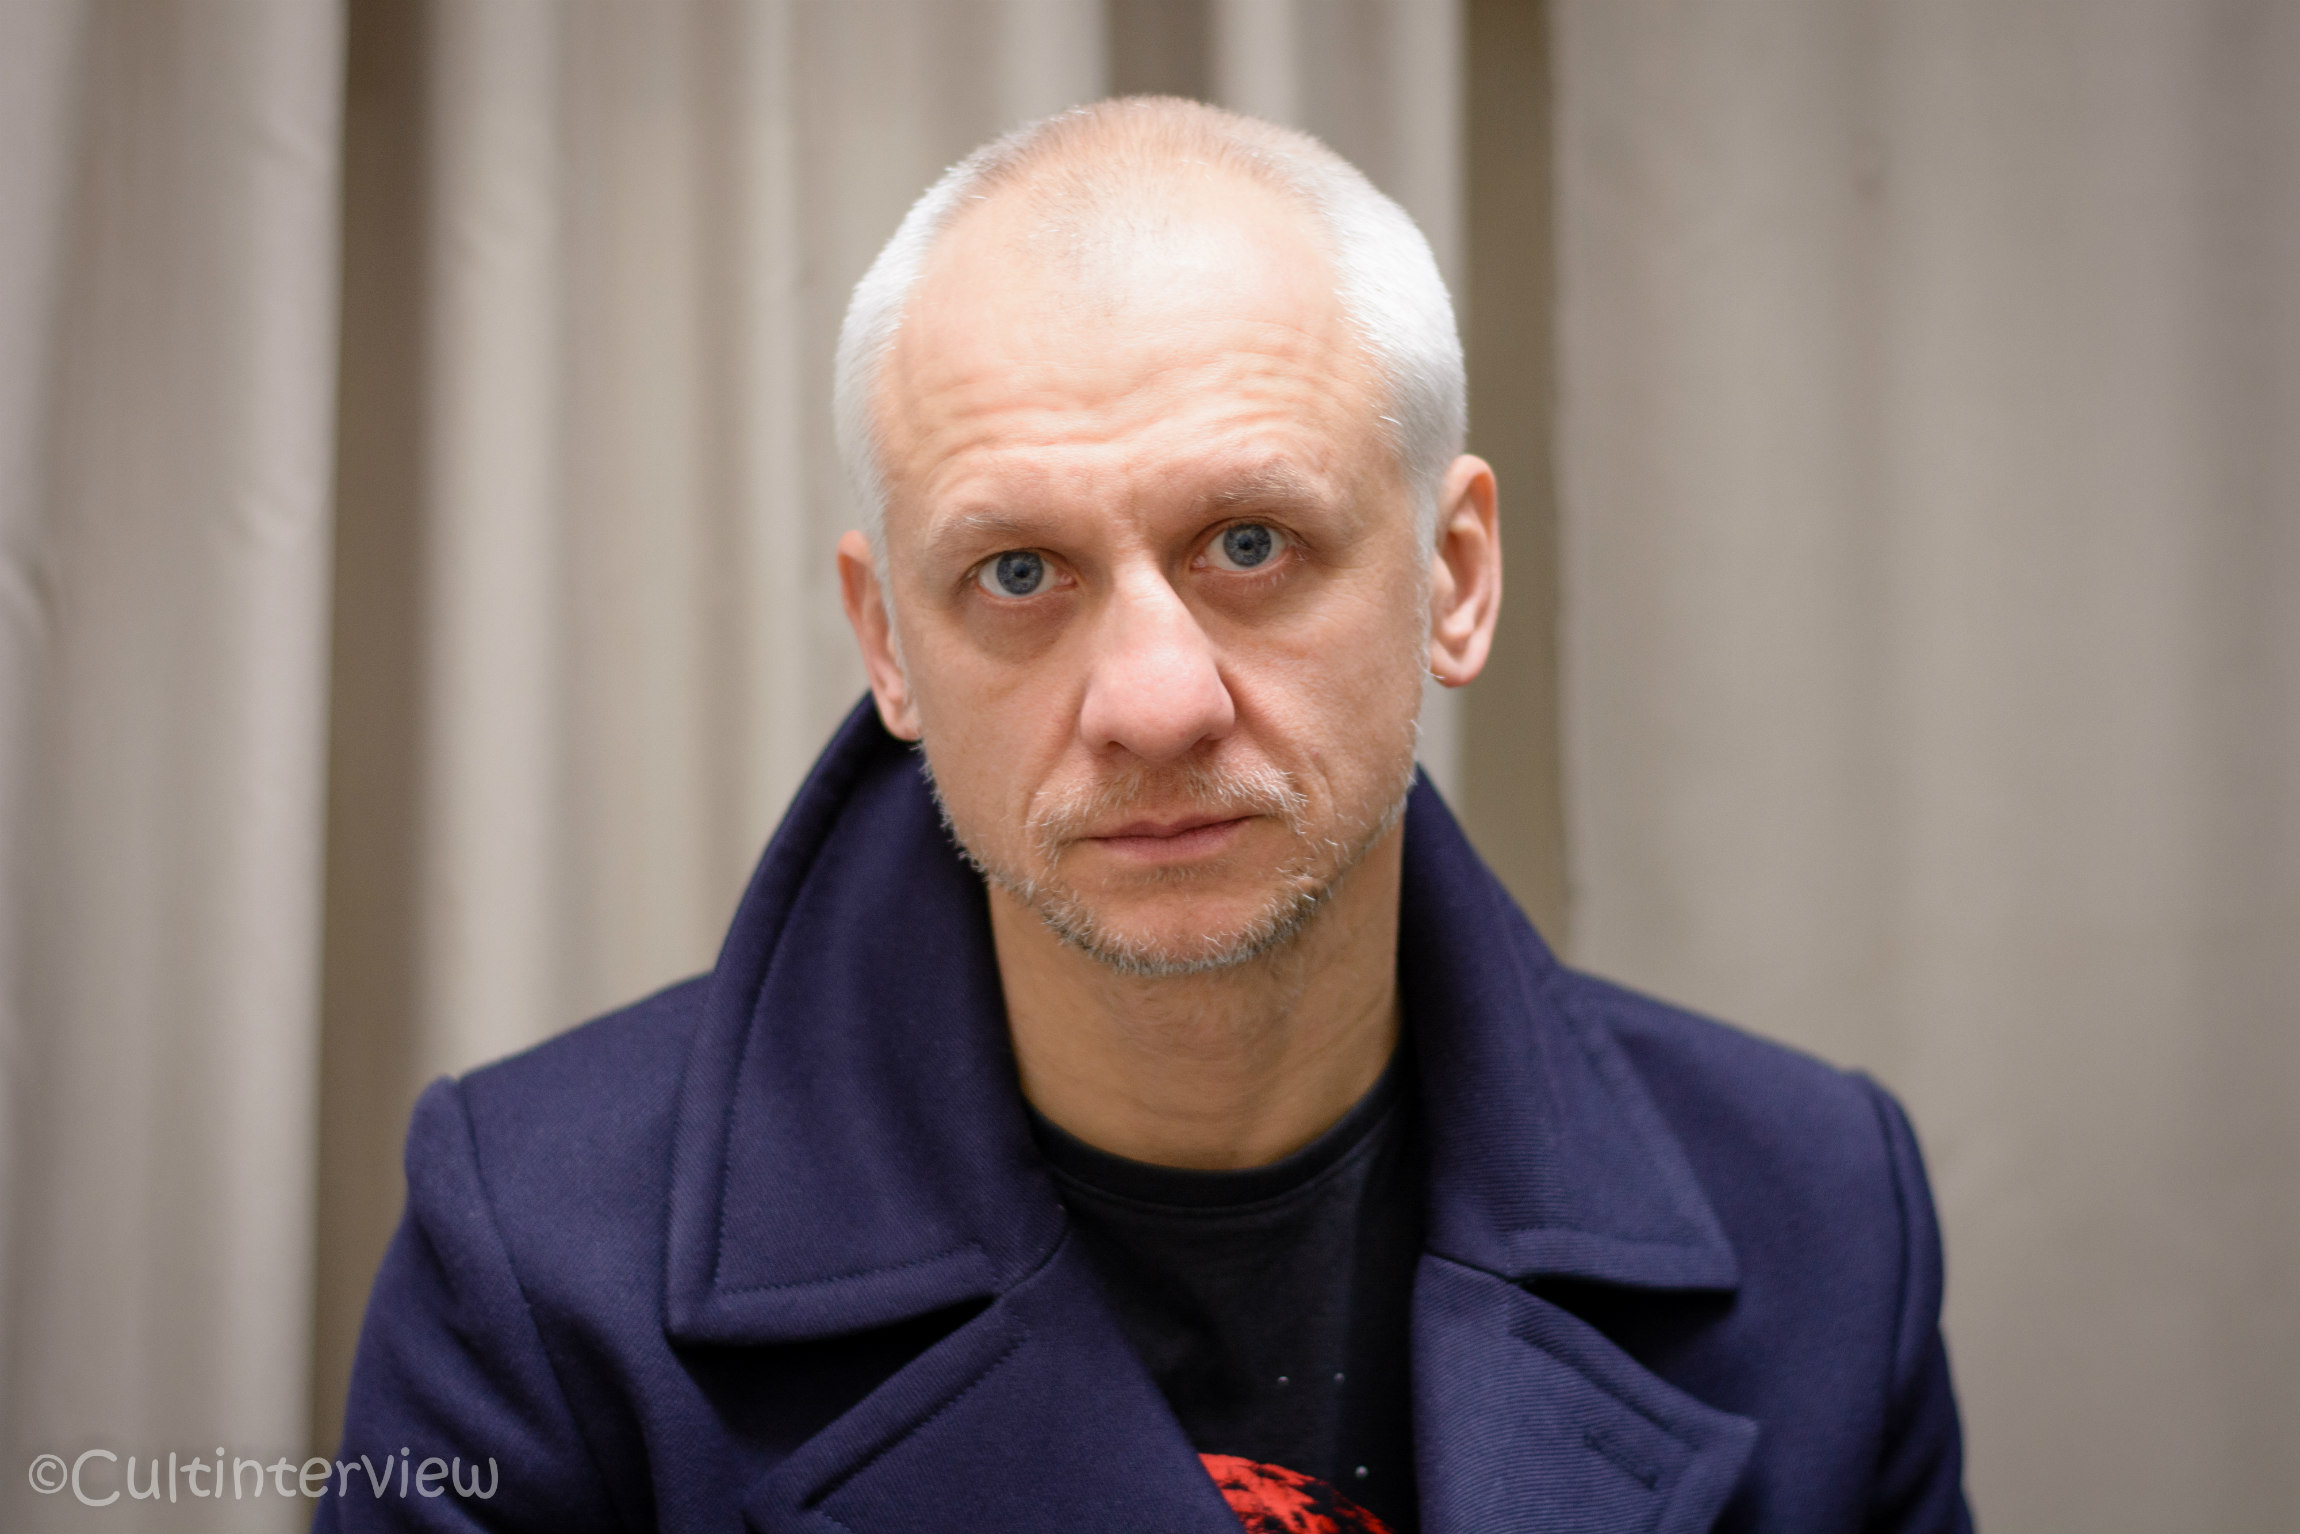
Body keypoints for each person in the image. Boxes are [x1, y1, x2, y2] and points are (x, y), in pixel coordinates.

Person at [323, 97, 1968, 1534]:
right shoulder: (539, 1261)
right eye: (1016, 572)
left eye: (1250, 542)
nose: (1154, 702)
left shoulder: (1822, 1215)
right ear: (887, 641)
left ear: (1455, 577)